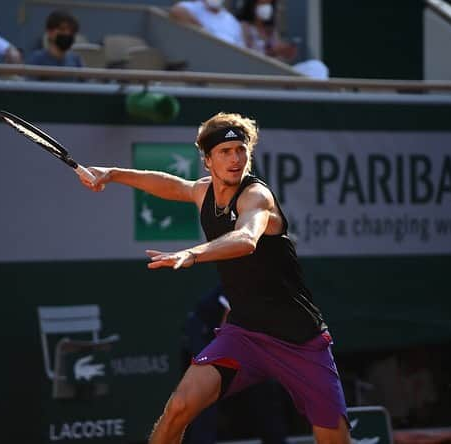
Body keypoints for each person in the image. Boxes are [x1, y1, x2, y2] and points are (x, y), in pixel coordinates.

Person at [80, 112, 350, 444]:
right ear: (208, 160)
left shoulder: (257, 197)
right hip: (245, 335)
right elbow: (170, 185)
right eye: (225, 152)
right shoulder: (203, 191)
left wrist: (193, 252)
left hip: (300, 340)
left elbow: (246, 239)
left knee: (334, 440)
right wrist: (113, 174)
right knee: (178, 408)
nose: (236, 158)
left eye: (241, 150)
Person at [181, 285, 288, 444]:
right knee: (208, 395)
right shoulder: (243, 282)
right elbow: (227, 328)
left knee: (264, 392)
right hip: (204, 336)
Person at [235, 0, 329, 79]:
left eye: (269, 4)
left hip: (276, 74)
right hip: (256, 77)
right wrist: (269, 53)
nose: (266, 7)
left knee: (317, 67)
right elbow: (244, 59)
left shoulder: (271, 31)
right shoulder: (242, 27)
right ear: (252, 5)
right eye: (262, 3)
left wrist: (285, 53)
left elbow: (281, 63)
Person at [169, 0, 245, 48]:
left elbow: (241, 49)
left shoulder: (232, 21)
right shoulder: (194, 7)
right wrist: (203, 31)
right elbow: (176, 11)